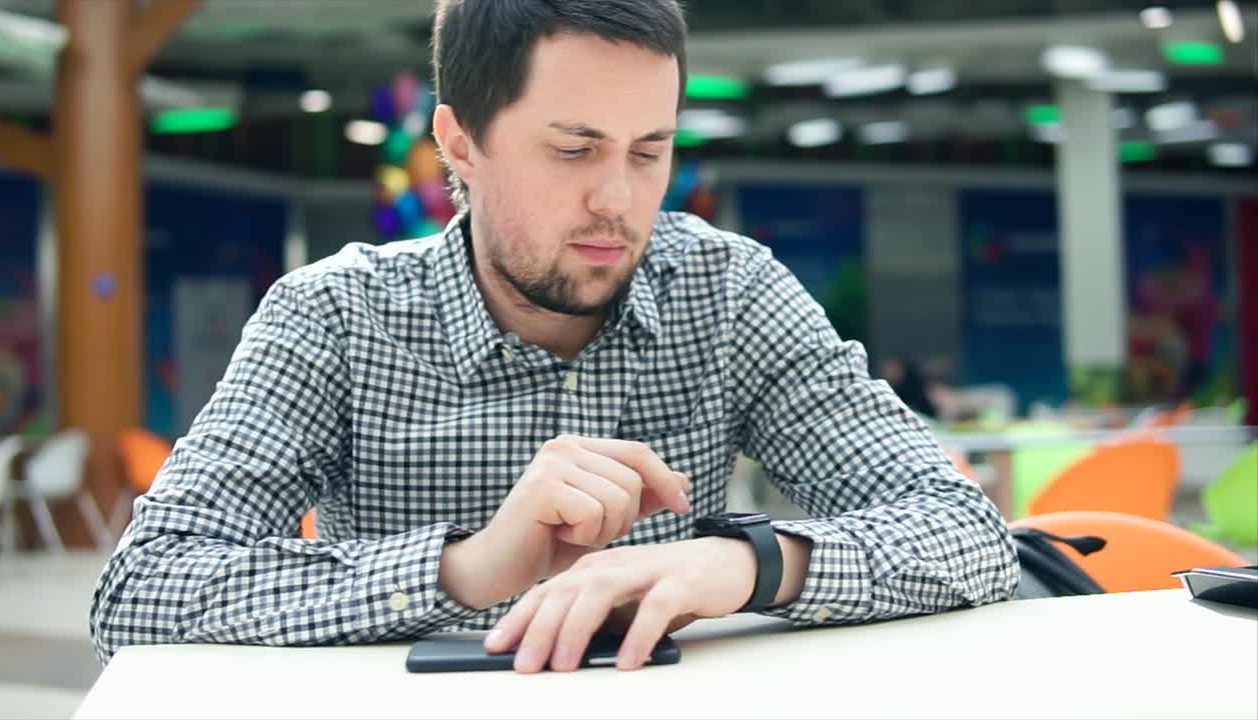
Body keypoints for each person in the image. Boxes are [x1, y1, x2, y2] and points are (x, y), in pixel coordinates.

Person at [90, 0, 1019, 673]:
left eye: (649, 151)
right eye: (574, 150)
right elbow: (144, 590)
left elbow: (970, 535)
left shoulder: (728, 290)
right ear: (459, 143)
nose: (618, 201)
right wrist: (468, 565)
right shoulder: (334, 316)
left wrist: (744, 561)